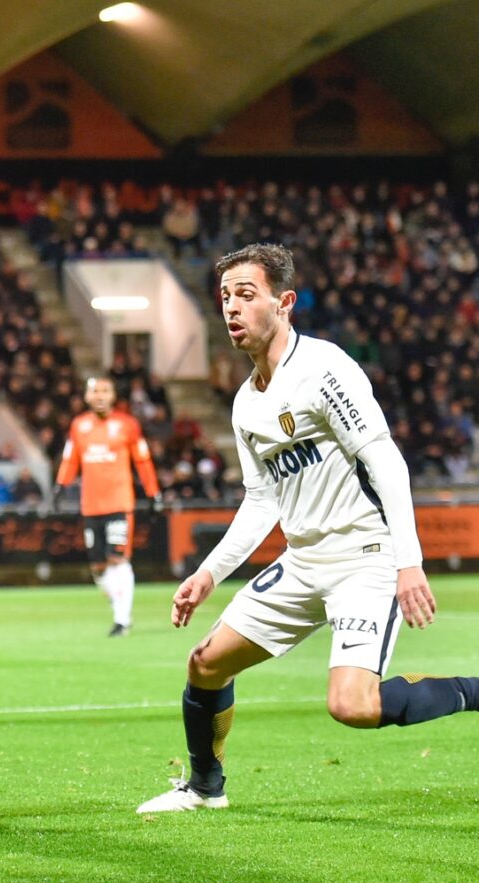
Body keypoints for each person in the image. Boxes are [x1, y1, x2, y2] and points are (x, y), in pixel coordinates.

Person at [137, 242, 475, 814]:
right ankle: (204, 787)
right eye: (224, 297)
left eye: (246, 294)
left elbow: (385, 460)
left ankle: (473, 690)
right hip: (302, 560)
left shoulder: (325, 369)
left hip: (364, 556)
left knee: (353, 705)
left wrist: (407, 561)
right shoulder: (246, 402)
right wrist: (209, 572)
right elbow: (261, 499)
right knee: (205, 662)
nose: (231, 308)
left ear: (285, 302)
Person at [53, 376, 161, 637]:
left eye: (105, 391)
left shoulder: (127, 425)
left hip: (119, 503)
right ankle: (119, 604)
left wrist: (153, 492)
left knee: (117, 558)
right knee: (98, 568)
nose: (100, 396)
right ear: (87, 397)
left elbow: (143, 460)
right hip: (91, 505)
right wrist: (60, 485)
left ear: (113, 396)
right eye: (95, 391)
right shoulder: (79, 426)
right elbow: (70, 459)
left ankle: (122, 620)